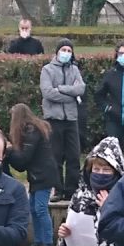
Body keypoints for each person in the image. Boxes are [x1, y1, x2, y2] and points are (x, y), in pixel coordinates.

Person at [37, 39, 88, 193]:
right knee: (55, 157)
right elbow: (48, 93)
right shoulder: (47, 70)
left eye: (69, 51)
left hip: (71, 119)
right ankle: (58, 190)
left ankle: (71, 190)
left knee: (74, 156)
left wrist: (61, 89)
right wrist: (70, 95)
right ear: (57, 52)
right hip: (54, 119)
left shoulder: (74, 69)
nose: (66, 53)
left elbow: (80, 88)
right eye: (63, 50)